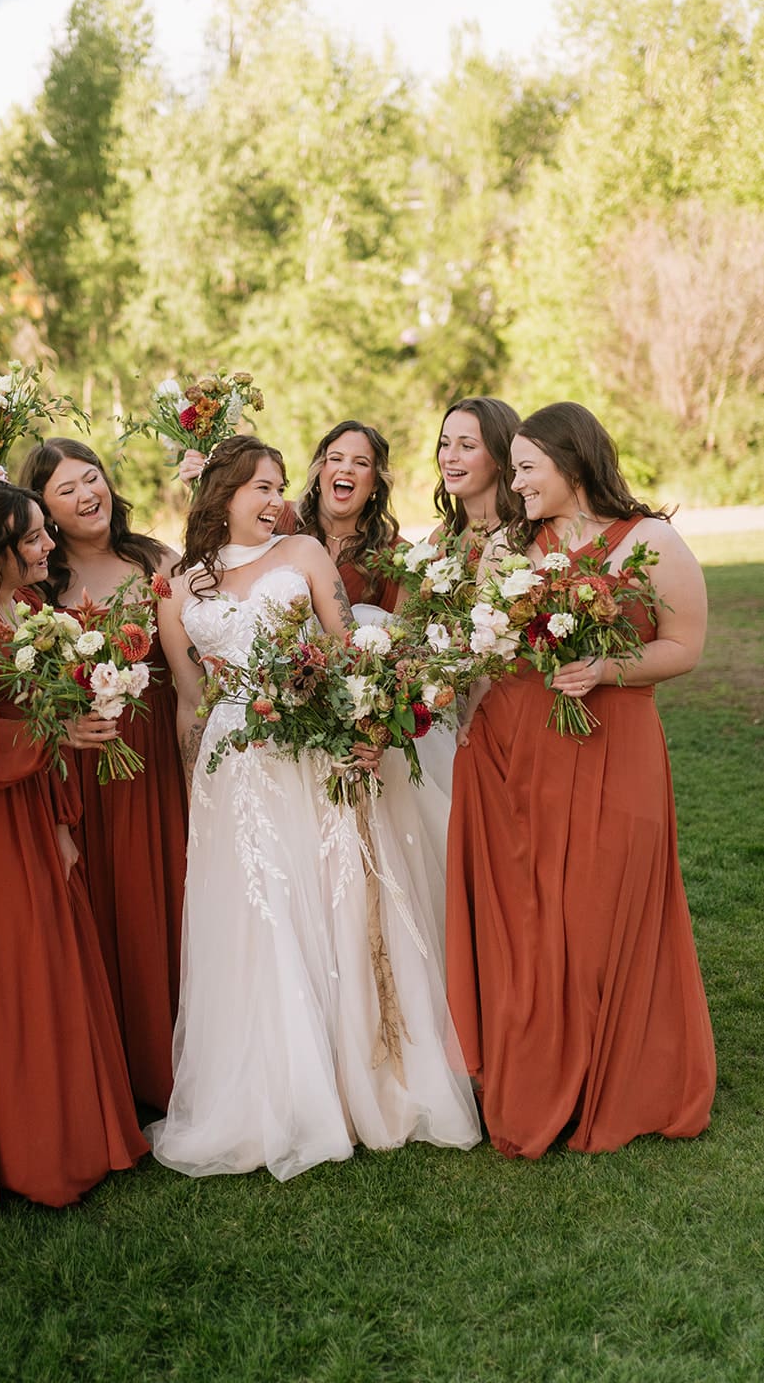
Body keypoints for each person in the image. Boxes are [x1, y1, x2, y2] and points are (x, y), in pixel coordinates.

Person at [149, 436, 480, 1180]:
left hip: (308, 748)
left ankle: (359, 1082)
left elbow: (354, 651)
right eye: (258, 488)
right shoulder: (177, 584)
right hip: (232, 767)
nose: (275, 501)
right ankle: (272, 1092)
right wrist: (192, 778)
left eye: (277, 487)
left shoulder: (303, 556)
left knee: (327, 902)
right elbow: (187, 695)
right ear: (221, 494)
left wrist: (364, 732)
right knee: (255, 915)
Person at [446, 401, 716, 1158]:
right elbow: (488, 649)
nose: (516, 479)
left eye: (527, 467)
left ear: (570, 466)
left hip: (615, 746)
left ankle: (625, 1081)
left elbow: (684, 646)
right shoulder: (509, 548)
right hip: (524, 750)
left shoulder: (649, 542)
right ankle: (545, 1079)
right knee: (539, 919)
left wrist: (605, 668)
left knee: (604, 912)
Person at [0, 481, 147, 1204]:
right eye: (31, 537)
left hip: (30, 801)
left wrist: (60, 820)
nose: (48, 543)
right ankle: (30, 1154)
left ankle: (78, 1133)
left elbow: (44, 705)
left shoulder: (25, 606)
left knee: (54, 961)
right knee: (12, 974)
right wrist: (58, 730)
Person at [19, 438, 188, 1112]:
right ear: (44, 511)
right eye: (66, 489)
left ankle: (180, 1058)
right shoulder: (38, 585)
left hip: (157, 748)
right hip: (88, 754)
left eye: (92, 478)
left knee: (169, 888)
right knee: (106, 898)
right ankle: (121, 1067)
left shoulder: (155, 559)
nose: (87, 494)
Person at [183, 419, 401, 608]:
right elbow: (219, 559)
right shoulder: (275, 515)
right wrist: (202, 487)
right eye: (335, 458)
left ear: (375, 482)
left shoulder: (395, 555)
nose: (346, 469)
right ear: (320, 470)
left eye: (361, 463)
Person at [431, 396, 521, 553]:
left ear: (500, 455)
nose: (449, 457)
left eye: (467, 446)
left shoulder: (524, 537)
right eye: (445, 444)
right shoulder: (439, 540)